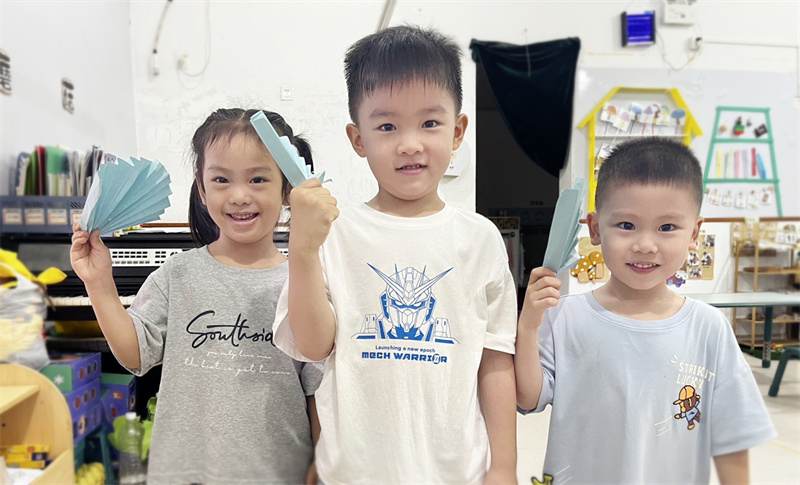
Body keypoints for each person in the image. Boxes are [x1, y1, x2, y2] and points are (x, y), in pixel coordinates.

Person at [272, 26, 519, 484]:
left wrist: (504, 466)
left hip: (456, 474)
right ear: (358, 139)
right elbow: (311, 346)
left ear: (458, 131)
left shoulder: (480, 239)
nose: (409, 144)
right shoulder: (335, 233)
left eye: (430, 123)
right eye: (387, 126)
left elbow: (496, 362)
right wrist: (302, 249)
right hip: (354, 473)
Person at [71, 108, 323, 485]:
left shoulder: (303, 283)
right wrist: (98, 282)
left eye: (258, 179)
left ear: (287, 189)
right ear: (202, 190)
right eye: (221, 179)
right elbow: (135, 354)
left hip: (277, 473)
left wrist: (322, 461)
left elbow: (317, 388)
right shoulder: (178, 273)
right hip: (184, 473)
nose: (239, 196)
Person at [515, 137, 776, 484]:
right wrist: (528, 326)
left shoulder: (708, 327)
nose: (645, 245)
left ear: (694, 233)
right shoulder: (564, 316)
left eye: (667, 227)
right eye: (626, 225)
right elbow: (528, 398)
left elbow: (733, 435)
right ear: (595, 228)